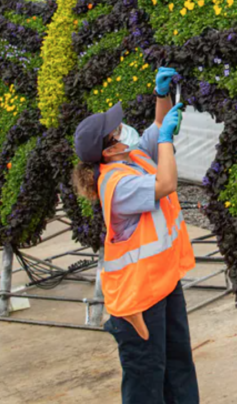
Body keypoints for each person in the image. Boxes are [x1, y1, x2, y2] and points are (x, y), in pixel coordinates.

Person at [72, 66, 200, 404]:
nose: (122, 128)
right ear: (109, 150)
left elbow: (157, 128)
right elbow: (167, 183)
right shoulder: (116, 183)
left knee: (179, 366)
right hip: (137, 301)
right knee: (146, 378)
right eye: (116, 129)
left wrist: (162, 96)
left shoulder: (132, 157)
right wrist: (168, 141)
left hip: (162, 283)